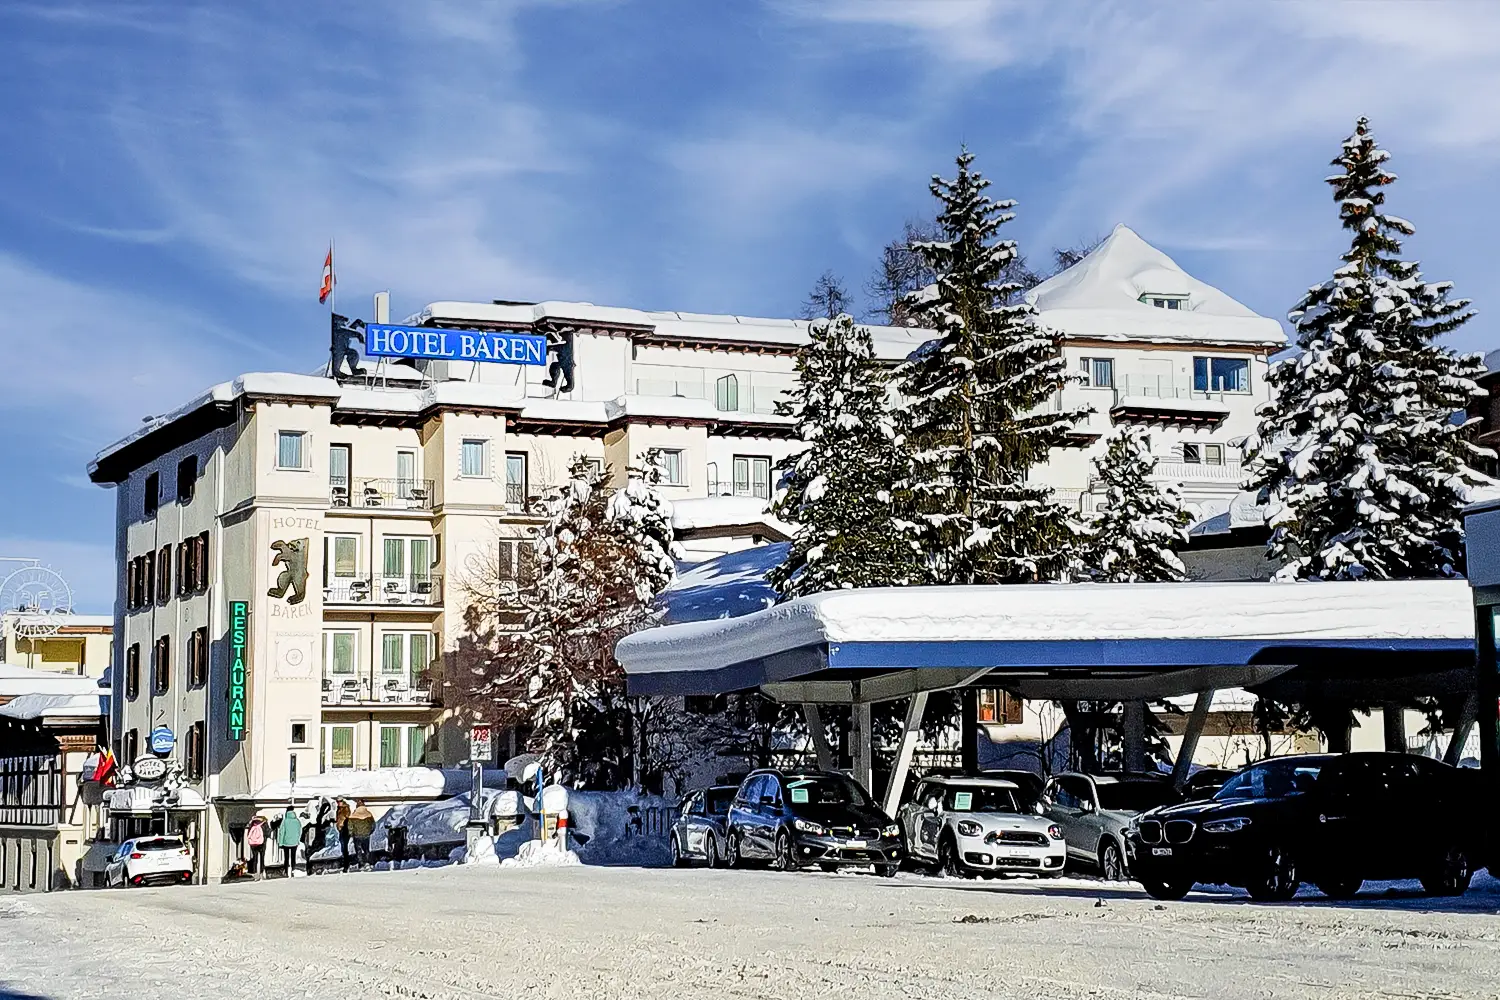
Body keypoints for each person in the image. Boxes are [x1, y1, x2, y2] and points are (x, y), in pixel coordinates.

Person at [348, 800, 375, 870]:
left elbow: (350, 826)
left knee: (358, 850)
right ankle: (368, 862)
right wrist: (369, 832)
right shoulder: (368, 814)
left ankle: (361, 864)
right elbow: (373, 825)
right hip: (366, 835)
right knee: (366, 850)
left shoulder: (353, 815)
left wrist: (351, 834)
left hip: (357, 835)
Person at [276, 805, 302, 877]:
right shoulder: (297, 821)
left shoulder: (285, 821)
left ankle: (286, 871)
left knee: (286, 857)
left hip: (286, 842)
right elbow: (300, 831)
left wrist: (280, 843)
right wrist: (297, 840)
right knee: (293, 857)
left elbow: (282, 832)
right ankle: (293, 869)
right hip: (294, 842)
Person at [336, 799, 352, 873]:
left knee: (344, 847)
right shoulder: (338, 809)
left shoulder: (345, 808)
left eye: (340, 801)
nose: (338, 803)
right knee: (343, 847)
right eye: (337, 801)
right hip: (340, 829)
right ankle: (345, 863)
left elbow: (347, 817)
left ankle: (346, 865)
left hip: (345, 829)